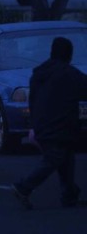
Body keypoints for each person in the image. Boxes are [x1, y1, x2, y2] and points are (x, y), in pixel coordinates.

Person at [11, 37, 87, 210]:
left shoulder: (39, 73)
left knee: (65, 158)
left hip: (42, 124)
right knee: (55, 158)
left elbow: (33, 100)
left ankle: (69, 195)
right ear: (69, 54)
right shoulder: (69, 74)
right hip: (61, 125)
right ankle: (24, 187)